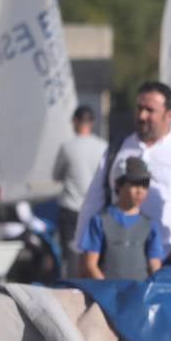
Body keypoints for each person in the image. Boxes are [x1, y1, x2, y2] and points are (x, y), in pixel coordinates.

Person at [75, 81, 171, 267]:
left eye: (150, 110)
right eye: (139, 108)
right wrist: (82, 253)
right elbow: (93, 202)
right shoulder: (117, 150)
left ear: (169, 114)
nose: (142, 115)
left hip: (169, 264)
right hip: (117, 263)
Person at [76, 157, 164, 280]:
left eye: (145, 185)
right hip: (106, 294)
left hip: (138, 294)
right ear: (118, 184)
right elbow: (90, 265)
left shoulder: (149, 224)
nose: (140, 191)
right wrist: (108, 291)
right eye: (135, 184)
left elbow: (155, 267)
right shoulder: (99, 220)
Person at [52, 105, 108, 276]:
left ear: (75, 121)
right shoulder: (103, 147)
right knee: (95, 256)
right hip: (96, 209)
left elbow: (56, 175)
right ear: (92, 122)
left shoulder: (67, 147)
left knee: (71, 256)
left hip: (71, 208)